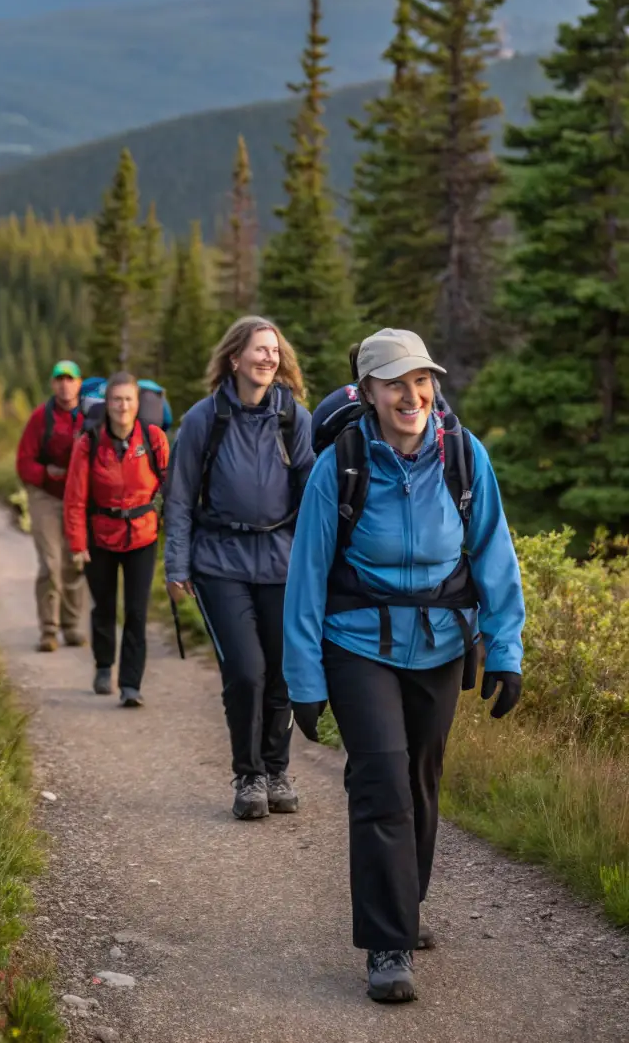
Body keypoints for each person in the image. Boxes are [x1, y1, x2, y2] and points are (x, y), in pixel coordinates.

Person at [283, 328, 525, 1005]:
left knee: (421, 779)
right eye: (394, 382)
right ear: (367, 393)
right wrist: (304, 681)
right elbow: (305, 577)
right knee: (382, 777)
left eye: (419, 379)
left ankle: (405, 902)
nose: (410, 393)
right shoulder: (343, 464)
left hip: (443, 644)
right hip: (357, 642)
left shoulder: (465, 458)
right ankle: (387, 941)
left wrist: (505, 650)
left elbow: (494, 556)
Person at [163, 316, 314, 820]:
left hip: (281, 561)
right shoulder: (204, 419)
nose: (268, 358)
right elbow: (180, 497)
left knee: (283, 674)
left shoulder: (293, 418)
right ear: (235, 359)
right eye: (258, 350)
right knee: (246, 672)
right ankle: (248, 776)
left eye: (274, 350)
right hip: (219, 562)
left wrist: (319, 564)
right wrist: (177, 563)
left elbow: (313, 497)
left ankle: (276, 770)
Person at [63, 373, 168, 707]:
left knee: (136, 612)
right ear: (106, 404)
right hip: (100, 537)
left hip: (143, 536)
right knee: (105, 607)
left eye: (128, 400)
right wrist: (78, 545)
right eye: (116, 400)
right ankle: (104, 666)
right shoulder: (89, 442)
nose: (122, 406)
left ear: (138, 404)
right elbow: (75, 498)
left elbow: (171, 488)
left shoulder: (153, 439)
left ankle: (131, 685)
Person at [15, 359, 88, 652]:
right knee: (50, 563)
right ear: (52, 384)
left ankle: (71, 627)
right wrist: (46, 474)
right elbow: (23, 463)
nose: (64, 384)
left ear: (79, 384)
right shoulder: (39, 418)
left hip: (78, 497)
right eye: (59, 379)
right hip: (45, 495)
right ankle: (49, 630)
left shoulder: (89, 416)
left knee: (75, 562)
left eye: (70, 379)